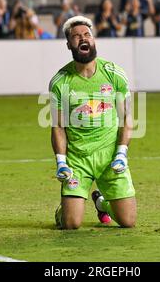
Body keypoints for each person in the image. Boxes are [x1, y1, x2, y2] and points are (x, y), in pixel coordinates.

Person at [49, 15, 137, 230]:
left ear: (94, 40)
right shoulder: (60, 81)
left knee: (128, 222)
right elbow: (58, 126)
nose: (83, 38)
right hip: (78, 158)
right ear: (69, 44)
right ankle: (64, 210)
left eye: (87, 34)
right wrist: (61, 161)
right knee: (71, 224)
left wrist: (121, 154)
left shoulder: (114, 74)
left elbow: (127, 118)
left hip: (109, 158)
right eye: (76, 36)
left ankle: (101, 203)